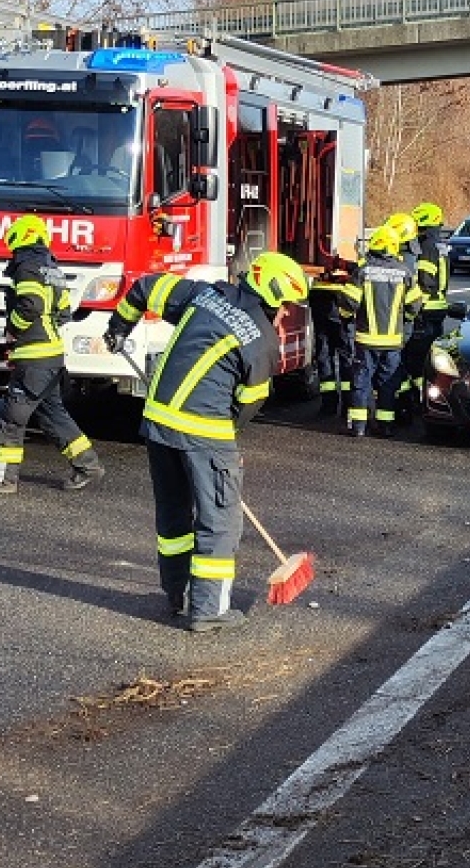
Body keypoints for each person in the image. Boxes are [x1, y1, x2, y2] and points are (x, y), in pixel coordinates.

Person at [101, 251, 312, 632]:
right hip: (205, 432)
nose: (284, 315)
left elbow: (146, 288)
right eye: (285, 306)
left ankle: (176, 594)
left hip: (158, 423)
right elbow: (249, 403)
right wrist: (226, 452)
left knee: (174, 516)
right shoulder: (262, 342)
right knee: (219, 524)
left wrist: (119, 327)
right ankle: (208, 610)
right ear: (273, 298)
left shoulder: (205, 294)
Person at [0, 214, 105, 493]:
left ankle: (2, 480)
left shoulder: (27, 266)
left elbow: (30, 306)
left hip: (34, 358)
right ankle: (87, 465)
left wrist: (12, 331)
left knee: (10, 420)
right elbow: (64, 313)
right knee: (52, 413)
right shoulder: (52, 268)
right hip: (51, 356)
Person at [339, 223, 422, 438]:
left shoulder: (363, 270)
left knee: (361, 382)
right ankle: (385, 426)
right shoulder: (405, 272)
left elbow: (349, 303)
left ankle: (358, 426)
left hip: (366, 341)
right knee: (388, 384)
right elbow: (414, 306)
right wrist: (405, 326)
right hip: (392, 342)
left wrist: (346, 320)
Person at [399, 201, 450, 428]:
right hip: (437, 309)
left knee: (415, 360)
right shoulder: (439, 244)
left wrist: (412, 300)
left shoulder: (427, 246)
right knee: (425, 359)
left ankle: (417, 401)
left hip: (426, 310)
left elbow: (426, 282)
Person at [309, 259, 359, 418]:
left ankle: (329, 405)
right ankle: (347, 405)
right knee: (345, 357)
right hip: (338, 305)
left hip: (322, 300)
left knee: (325, 355)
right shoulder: (367, 265)